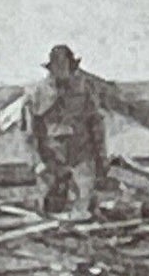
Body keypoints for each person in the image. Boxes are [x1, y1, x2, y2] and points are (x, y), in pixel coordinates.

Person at [23, 45, 107, 217]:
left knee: (82, 205)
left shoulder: (85, 90)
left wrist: (101, 157)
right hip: (52, 159)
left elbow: (96, 124)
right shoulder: (37, 93)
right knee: (48, 209)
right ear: (51, 67)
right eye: (57, 65)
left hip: (81, 155)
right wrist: (37, 162)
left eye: (64, 64)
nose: (61, 69)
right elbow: (30, 133)